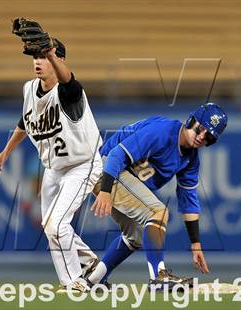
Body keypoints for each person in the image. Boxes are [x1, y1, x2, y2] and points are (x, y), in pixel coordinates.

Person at [0, 25, 102, 292]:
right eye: (35, 57)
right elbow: (26, 122)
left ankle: (75, 282)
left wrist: (52, 54)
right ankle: (93, 264)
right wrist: (5, 152)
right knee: (51, 228)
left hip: (82, 165)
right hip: (53, 169)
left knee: (56, 224)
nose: (38, 62)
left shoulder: (69, 93)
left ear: (58, 60)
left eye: (44, 57)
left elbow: (70, 82)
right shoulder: (29, 89)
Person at [87, 103, 228, 290]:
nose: (202, 137)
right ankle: (158, 278)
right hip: (106, 170)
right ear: (191, 121)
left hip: (117, 177)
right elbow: (116, 155)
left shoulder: (190, 159)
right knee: (158, 212)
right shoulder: (162, 131)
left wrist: (196, 244)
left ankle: (92, 281)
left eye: (209, 136)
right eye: (201, 128)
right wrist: (105, 190)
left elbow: (189, 202)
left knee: (135, 235)